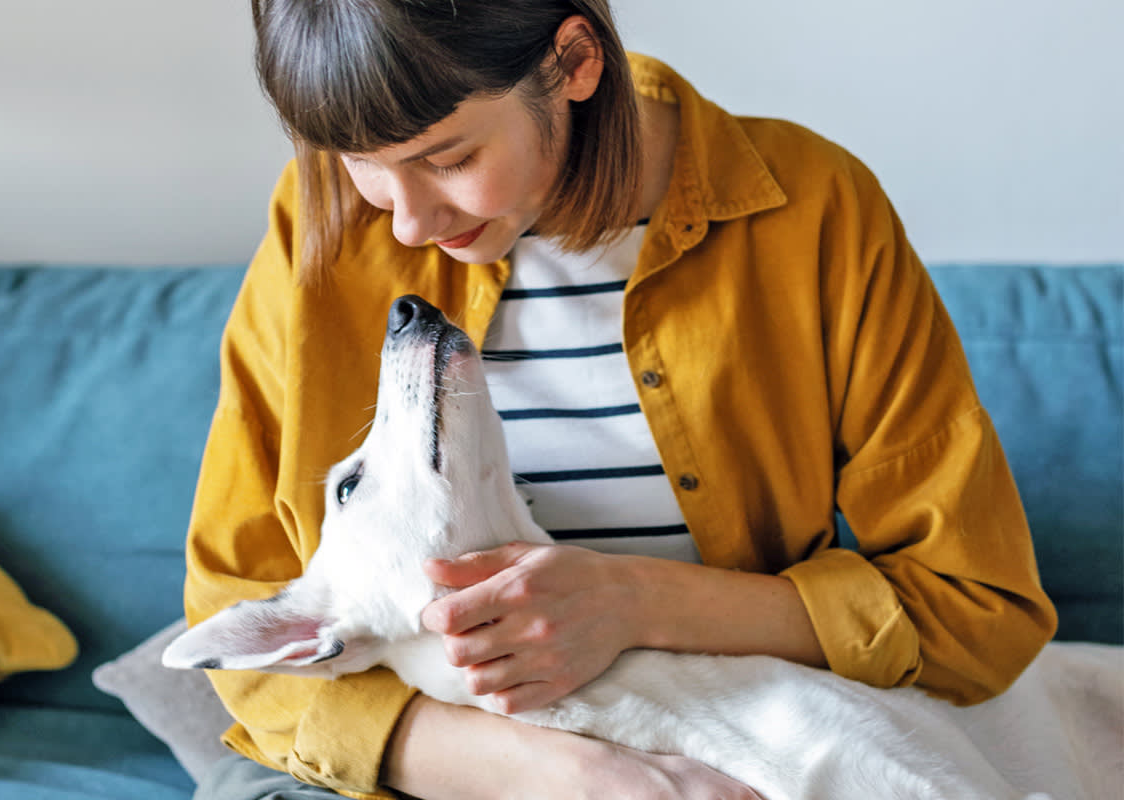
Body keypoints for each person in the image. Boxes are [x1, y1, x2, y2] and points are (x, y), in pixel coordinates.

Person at [184, 2, 1058, 798]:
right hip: (417, 768)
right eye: (359, 165)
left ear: (574, 62)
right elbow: (240, 628)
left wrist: (637, 601)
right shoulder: (320, 221)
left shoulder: (815, 208)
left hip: (729, 741)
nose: (405, 222)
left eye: (448, 158)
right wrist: (564, 775)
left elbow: (975, 612)